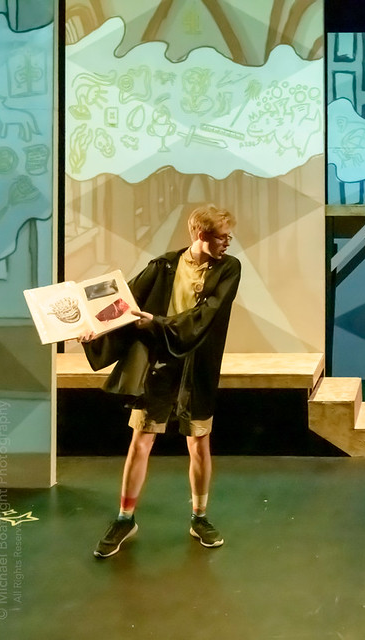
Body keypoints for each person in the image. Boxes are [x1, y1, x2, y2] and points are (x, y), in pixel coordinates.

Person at [82, 204, 241, 558]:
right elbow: (124, 301)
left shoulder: (228, 268)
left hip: (197, 364)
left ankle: (200, 517)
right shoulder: (165, 265)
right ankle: (125, 518)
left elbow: (206, 315)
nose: (228, 243)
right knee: (141, 440)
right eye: (222, 237)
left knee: (198, 442)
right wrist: (92, 326)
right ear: (201, 234)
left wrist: (156, 323)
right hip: (159, 364)